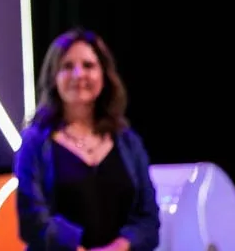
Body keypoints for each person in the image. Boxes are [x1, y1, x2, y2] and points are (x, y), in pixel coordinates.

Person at [13, 28, 160, 251]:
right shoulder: (34, 142)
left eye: (88, 66)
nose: (78, 74)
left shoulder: (128, 142)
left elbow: (148, 221)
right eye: (67, 66)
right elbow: (32, 221)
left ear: (104, 75)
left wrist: (120, 247)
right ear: (53, 78)